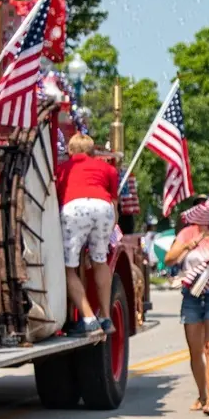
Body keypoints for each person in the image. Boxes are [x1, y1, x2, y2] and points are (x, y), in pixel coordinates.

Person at [165, 198, 209, 416]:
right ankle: (202, 394)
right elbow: (169, 259)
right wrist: (187, 246)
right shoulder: (187, 233)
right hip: (191, 297)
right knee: (195, 351)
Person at [58, 133, 120, 336]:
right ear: (92, 151)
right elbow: (114, 205)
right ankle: (105, 317)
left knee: (68, 270)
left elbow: (57, 197)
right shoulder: (107, 169)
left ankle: (88, 318)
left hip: (75, 208)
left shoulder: (64, 169)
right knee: (100, 262)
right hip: (103, 208)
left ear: (70, 150)